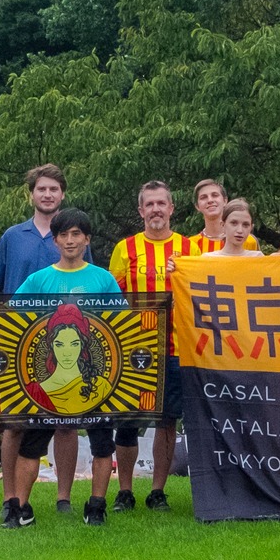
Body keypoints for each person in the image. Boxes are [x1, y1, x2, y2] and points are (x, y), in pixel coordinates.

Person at [10, 208, 124, 526]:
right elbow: (10, 318)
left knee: (103, 442)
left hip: (96, 378)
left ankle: (96, 505)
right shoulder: (38, 280)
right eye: (64, 235)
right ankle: (21, 508)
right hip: (46, 380)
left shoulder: (103, 279)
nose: (70, 240)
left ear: (87, 240)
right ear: (55, 241)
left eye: (76, 234)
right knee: (31, 444)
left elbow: (123, 324)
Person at [0, 165, 66, 531]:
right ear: (31, 194)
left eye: (54, 189)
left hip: (63, 345)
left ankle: (64, 497)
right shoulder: (12, 236)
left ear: (62, 194)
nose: (47, 194)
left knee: (64, 422)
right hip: (17, 344)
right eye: (41, 189)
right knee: (14, 423)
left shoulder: (71, 235)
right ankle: (9, 499)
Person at [105, 180, 193, 512]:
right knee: (128, 419)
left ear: (172, 208)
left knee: (167, 421)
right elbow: (112, 298)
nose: (156, 209)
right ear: (141, 211)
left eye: (161, 203)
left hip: (176, 347)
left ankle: (158, 491)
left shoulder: (189, 248)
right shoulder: (125, 248)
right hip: (134, 348)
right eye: (150, 204)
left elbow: (203, 293)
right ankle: (125, 491)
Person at [192, 178, 261, 250]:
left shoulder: (248, 241)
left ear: (225, 201)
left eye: (215, 195)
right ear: (197, 206)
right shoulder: (191, 244)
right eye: (203, 197)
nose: (210, 200)